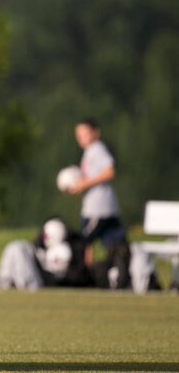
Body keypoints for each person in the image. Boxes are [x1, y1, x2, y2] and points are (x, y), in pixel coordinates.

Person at [68, 118, 129, 287]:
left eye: (85, 134)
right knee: (118, 244)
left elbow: (109, 172)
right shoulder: (89, 152)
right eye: (78, 135)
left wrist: (84, 184)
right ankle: (122, 277)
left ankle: (85, 277)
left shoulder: (97, 149)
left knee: (83, 242)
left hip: (98, 208)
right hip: (103, 206)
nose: (81, 138)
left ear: (95, 133)